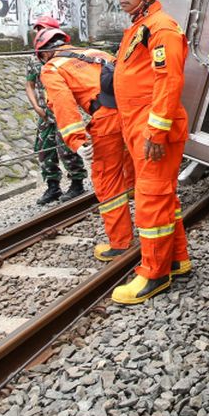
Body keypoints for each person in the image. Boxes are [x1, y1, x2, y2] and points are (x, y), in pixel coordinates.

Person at [109, 0, 191, 305]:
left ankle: (153, 274)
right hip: (140, 124)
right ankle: (177, 258)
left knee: (151, 199)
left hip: (153, 129)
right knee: (163, 198)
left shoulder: (161, 28)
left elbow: (169, 81)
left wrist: (155, 134)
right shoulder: (140, 25)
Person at [35, 28, 135, 262]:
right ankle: (149, 226)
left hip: (107, 120)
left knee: (108, 180)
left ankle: (120, 243)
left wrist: (77, 141)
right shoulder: (97, 53)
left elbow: (63, 105)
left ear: (43, 54)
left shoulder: (52, 68)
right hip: (133, 113)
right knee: (138, 173)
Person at [25, 16, 88, 205]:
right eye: (37, 30)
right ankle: (52, 186)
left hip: (63, 111)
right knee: (45, 150)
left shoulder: (66, 55)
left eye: (43, 29)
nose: (39, 33)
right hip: (45, 113)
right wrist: (36, 107)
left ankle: (77, 182)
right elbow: (29, 84)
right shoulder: (35, 59)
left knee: (67, 147)